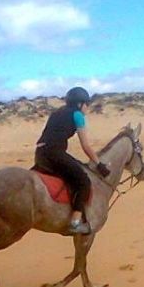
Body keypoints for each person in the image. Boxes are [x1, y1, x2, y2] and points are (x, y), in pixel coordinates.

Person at [33, 86, 109, 235]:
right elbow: (86, 146)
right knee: (83, 181)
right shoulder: (78, 115)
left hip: (40, 154)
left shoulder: (56, 113)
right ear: (80, 104)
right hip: (54, 154)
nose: (87, 108)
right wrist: (99, 164)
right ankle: (75, 223)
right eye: (87, 104)